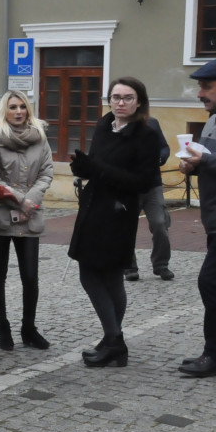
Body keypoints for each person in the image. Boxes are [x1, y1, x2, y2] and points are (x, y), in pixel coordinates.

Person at [68, 77, 159, 368]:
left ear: (139, 102)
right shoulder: (104, 125)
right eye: (115, 97)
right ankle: (112, 340)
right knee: (99, 274)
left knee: (103, 275)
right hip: (93, 208)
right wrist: (84, 168)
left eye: (127, 98)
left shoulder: (146, 135)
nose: (120, 103)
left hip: (118, 213)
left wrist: (97, 169)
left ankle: (114, 341)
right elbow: (98, 166)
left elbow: (142, 182)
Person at [0, 90, 54, 350]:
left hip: (30, 215)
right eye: (13, 107)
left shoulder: (40, 136)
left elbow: (46, 172)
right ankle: (3, 326)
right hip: (0, 214)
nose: (19, 111)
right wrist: (19, 201)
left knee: (30, 277)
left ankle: (28, 328)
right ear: (5, 110)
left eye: (22, 106)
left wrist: (29, 201)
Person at [178, 59, 216, 377]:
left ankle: (213, 355)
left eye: (206, 86)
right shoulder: (212, 120)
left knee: (210, 282)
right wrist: (192, 164)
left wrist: (205, 160)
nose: (200, 93)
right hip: (213, 221)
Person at [124, 116, 174, 281]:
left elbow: (164, 148)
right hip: (128, 186)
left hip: (153, 185)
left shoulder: (152, 123)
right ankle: (129, 266)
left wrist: (160, 157)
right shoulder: (112, 125)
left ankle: (161, 265)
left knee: (160, 223)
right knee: (126, 226)